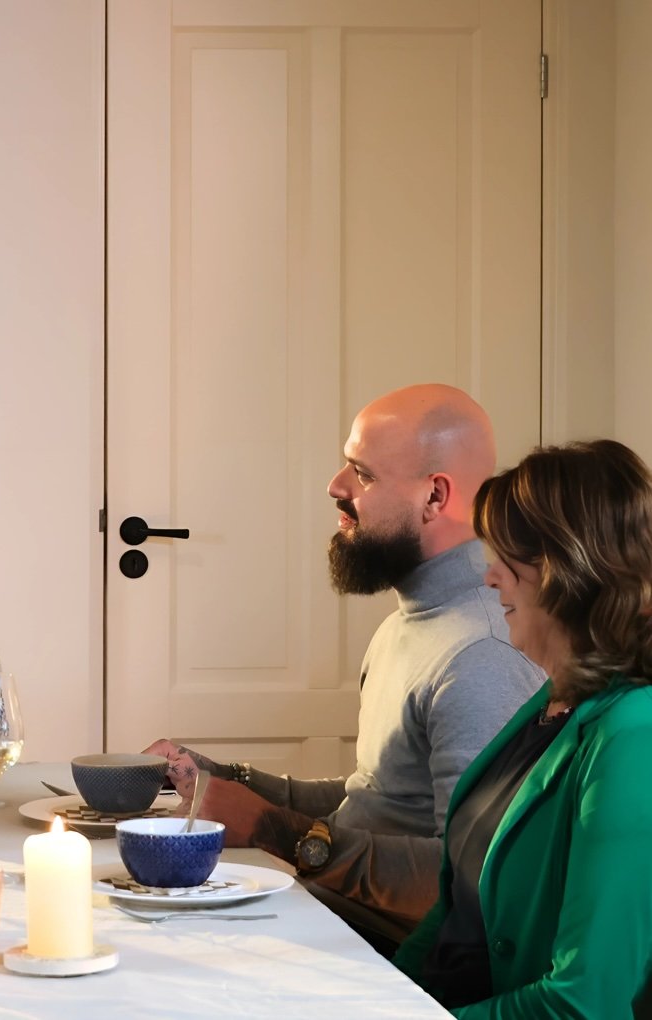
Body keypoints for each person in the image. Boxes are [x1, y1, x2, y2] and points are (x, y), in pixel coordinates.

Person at [146, 383, 543, 949]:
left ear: (435, 496)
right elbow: (376, 800)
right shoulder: (411, 624)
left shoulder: (480, 656)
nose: (336, 486)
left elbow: (471, 883)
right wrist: (224, 779)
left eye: (363, 473)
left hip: (385, 960)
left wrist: (270, 827)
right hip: (330, 914)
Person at [394, 439, 652, 1016]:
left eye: (508, 561)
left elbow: (584, 1002)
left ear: (571, 570)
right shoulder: (551, 698)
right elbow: (459, 908)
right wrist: (377, 996)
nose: (491, 579)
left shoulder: (634, 733)